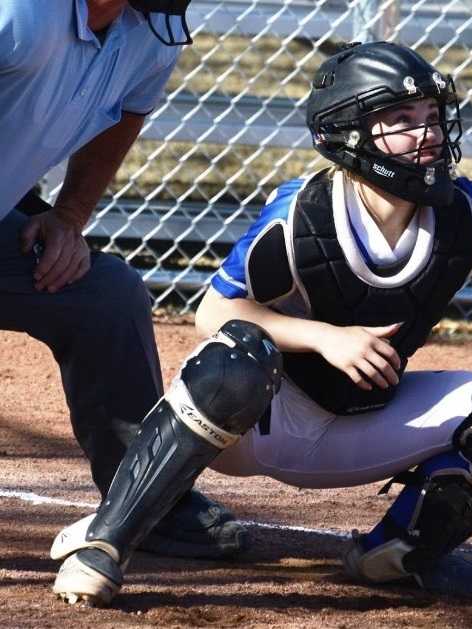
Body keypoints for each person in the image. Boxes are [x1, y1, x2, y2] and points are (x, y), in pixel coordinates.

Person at [49, 41, 472, 607]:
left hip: (362, 424)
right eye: (403, 118)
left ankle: (397, 554)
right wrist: (325, 337)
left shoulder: (461, 208)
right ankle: (108, 538)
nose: (429, 132)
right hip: (262, 422)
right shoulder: (305, 213)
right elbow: (213, 309)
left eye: (433, 114)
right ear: (348, 133)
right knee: (237, 354)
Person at [0, 0, 247, 559]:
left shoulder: (151, 32)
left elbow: (128, 113)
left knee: (103, 297)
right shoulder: (21, 13)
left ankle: (144, 498)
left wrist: (67, 218)